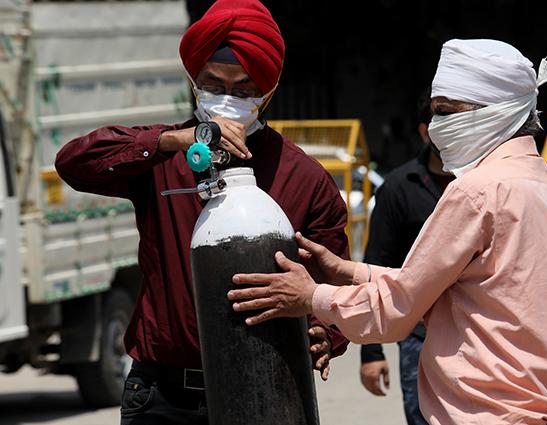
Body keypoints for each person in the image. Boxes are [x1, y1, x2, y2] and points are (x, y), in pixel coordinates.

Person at [228, 38, 547, 425]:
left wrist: (311, 296)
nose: (438, 128)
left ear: (496, 113)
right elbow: (459, 290)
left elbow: (397, 312)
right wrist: (353, 273)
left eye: (448, 113)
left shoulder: (477, 191)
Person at [55, 0, 350, 424]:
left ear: (267, 94)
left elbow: (333, 280)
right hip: (162, 397)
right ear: (194, 83)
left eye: (244, 90)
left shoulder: (304, 179)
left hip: (265, 386)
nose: (227, 101)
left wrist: (327, 334)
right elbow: (75, 163)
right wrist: (172, 141)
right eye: (213, 85)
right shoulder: (161, 160)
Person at [359, 89, 453, 425]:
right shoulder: (398, 188)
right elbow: (374, 267)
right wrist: (371, 352)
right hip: (418, 339)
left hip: (477, 335)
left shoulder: (485, 184)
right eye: (441, 121)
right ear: (424, 131)